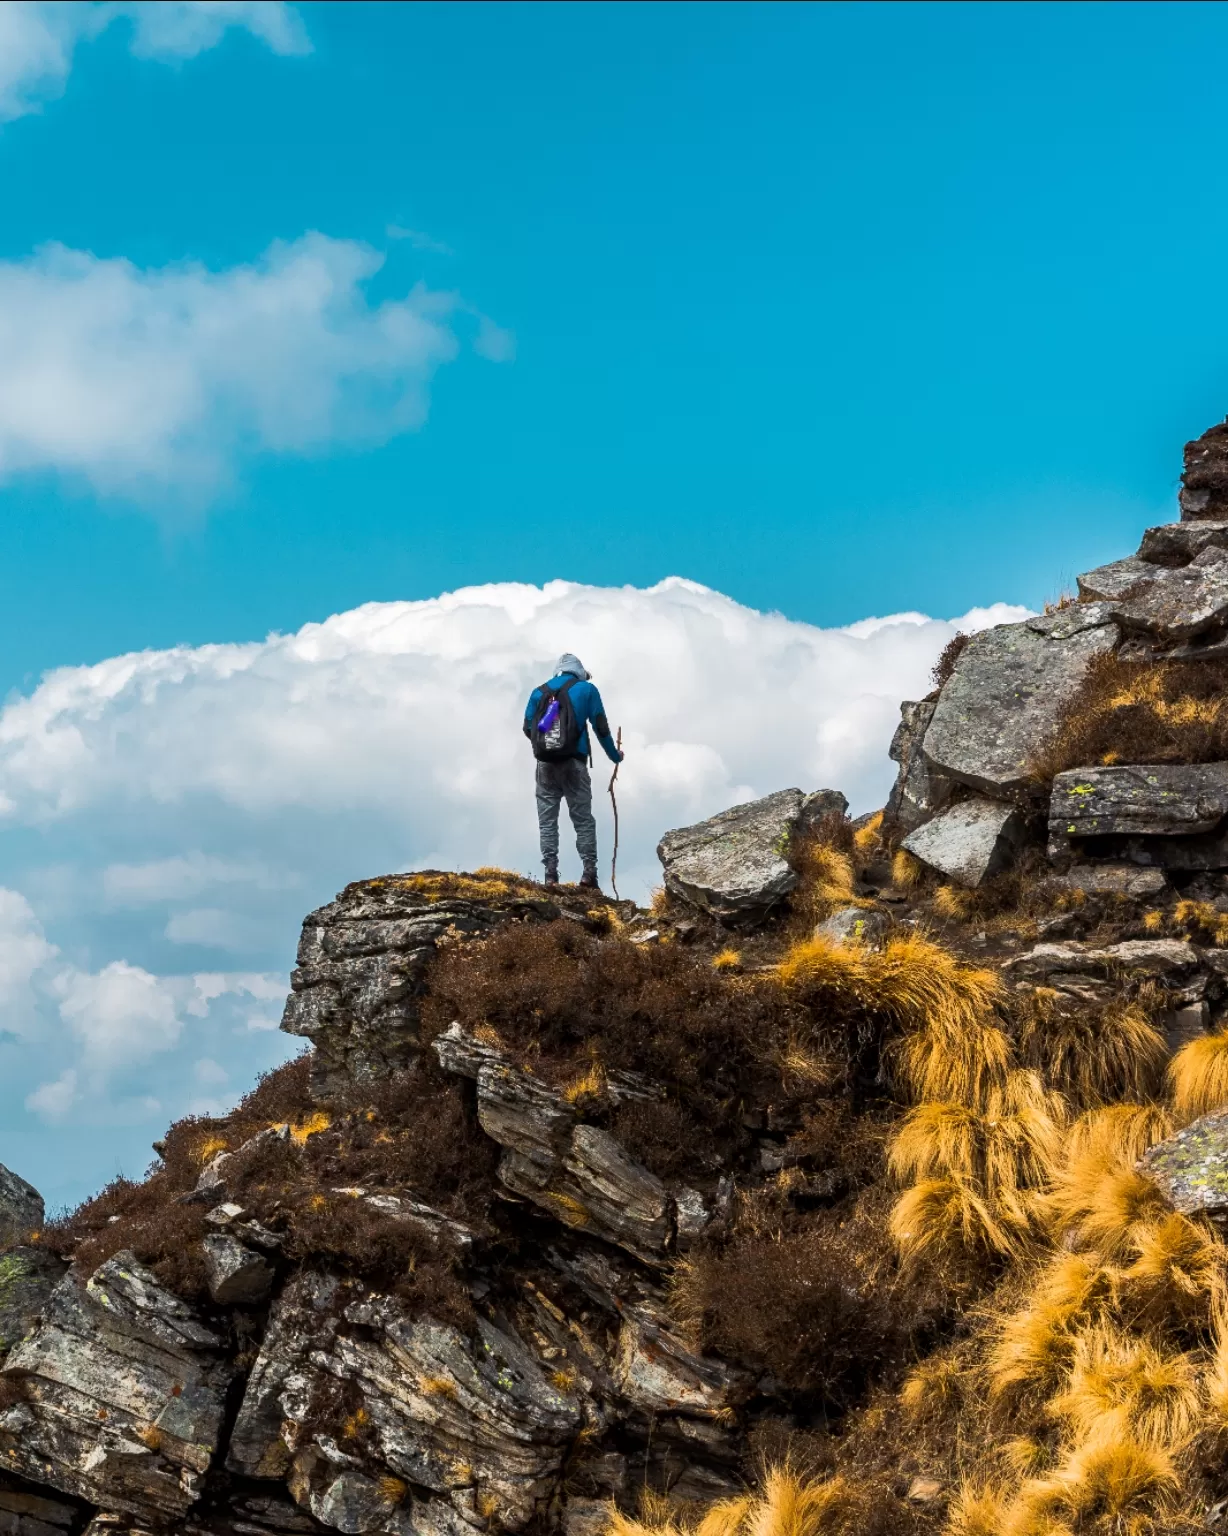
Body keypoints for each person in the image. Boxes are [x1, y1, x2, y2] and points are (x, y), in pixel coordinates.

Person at [524, 653, 624, 889]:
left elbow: (528, 727)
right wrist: (614, 755)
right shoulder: (586, 690)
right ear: (579, 671)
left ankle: (550, 874)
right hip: (575, 764)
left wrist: (547, 747)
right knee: (583, 819)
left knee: (547, 821)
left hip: (545, 765)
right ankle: (589, 874)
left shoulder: (538, 692)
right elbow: (601, 727)